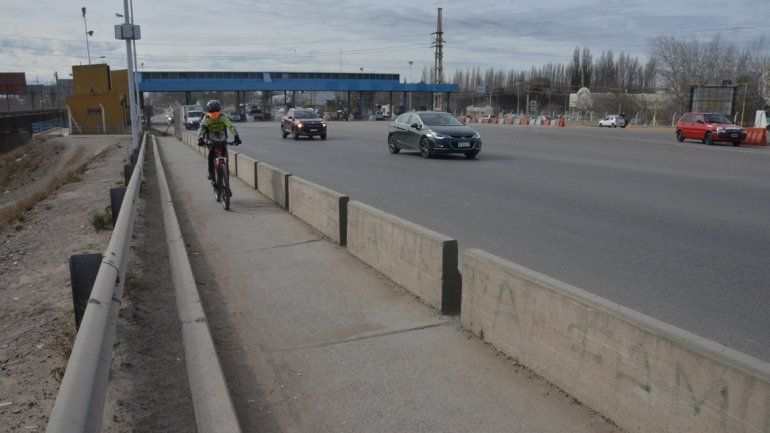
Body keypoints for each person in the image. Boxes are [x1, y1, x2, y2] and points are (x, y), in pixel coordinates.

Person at [197, 100, 241, 180]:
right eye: (212, 110)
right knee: (211, 155)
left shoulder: (222, 117)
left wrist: (236, 135)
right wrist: (200, 138)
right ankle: (210, 171)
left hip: (222, 140)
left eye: (216, 110)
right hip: (211, 140)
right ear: (209, 111)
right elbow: (201, 128)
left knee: (225, 154)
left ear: (219, 110)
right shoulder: (206, 119)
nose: (215, 113)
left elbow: (230, 126)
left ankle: (226, 172)